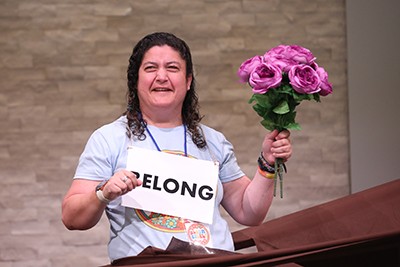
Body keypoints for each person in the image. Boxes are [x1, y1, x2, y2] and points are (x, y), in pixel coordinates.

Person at [61, 32, 292, 262]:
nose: (162, 76)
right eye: (151, 68)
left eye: (172, 68)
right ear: (135, 80)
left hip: (215, 262)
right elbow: (72, 217)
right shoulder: (109, 139)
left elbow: (248, 212)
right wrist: (103, 192)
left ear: (188, 80)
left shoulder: (212, 141)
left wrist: (268, 163)